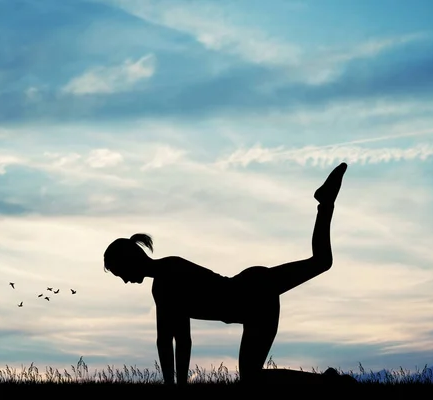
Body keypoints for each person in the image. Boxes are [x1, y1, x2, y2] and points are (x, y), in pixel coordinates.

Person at [103, 162, 349, 385]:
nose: (124, 280)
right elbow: (169, 339)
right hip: (254, 291)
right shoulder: (164, 277)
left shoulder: (166, 279)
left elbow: (176, 341)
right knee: (321, 262)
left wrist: (175, 387)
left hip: (253, 293)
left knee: (321, 262)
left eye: (120, 272)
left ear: (130, 261)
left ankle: (325, 203)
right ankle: (325, 203)